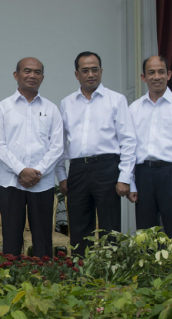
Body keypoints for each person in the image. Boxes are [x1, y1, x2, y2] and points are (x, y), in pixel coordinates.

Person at [55, 51, 136, 254]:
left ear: (101, 71)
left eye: (95, 69)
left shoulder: (116, 100)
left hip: (107, 167)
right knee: (79, 225)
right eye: (85, 70)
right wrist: (62, 175)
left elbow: (128, 140)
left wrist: (125, 177)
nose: (91, 74)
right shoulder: (67, 103)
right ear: (76, 74)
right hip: (78, 169)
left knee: (110, 226)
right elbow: (60, 143)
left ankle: (111, 274)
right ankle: (81, 273)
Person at [0, 57, 63, 258]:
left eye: (37, 72)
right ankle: (11, 280)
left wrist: (37, 171)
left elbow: (57, 146)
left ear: (42, 77)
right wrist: (21, 170)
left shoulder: (51, 109)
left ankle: (44, 281)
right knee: (11, 237)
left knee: (42, 238)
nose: (32, 75)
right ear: (16, 75)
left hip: (43, 183)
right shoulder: (3, 107)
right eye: (27, 71)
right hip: (11, 183)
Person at [128, 55, 172, 239]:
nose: (156, 76)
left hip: (171, 174)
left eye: (161, 72)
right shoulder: (134, 109)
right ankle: (148, 270)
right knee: (145, 236)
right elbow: (130, 148)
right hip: (144, 175)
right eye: (151, 72)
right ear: (144, 77)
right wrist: (131, 182)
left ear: (169, 74)